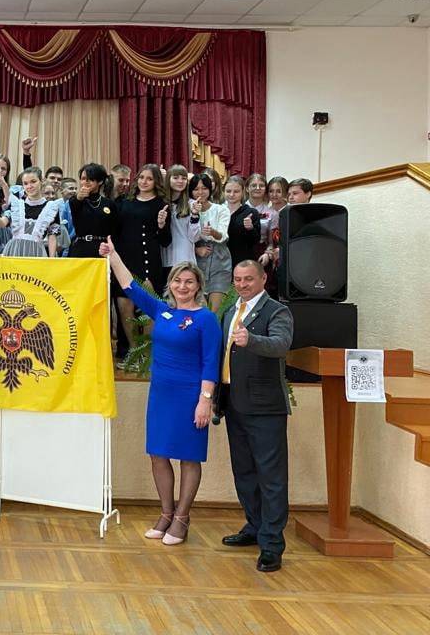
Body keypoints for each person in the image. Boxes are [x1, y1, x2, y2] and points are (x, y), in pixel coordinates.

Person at [100, 237, 221, 545]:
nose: (182, 286)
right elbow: (130, 287)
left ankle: (182, 518)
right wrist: (113, 255)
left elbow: (211, 362)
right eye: (178, 281)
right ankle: (166, 514)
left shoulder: (206, 319)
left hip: (191, 396)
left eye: (189, 281)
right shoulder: (162, 311)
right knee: (158, 454)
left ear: (198, 285)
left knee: (189, 458)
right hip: (161, 396)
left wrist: (205, 401)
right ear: (171, 284)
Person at [219, 260, 294, 573]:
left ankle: (272, 544)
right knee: (244, 472)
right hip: (234, 404)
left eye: (248, 279)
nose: (242, 284)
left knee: (271, 477)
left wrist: (252, 340)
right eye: (237, 279)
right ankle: (255, 526)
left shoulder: (277, 311)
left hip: (265, 408)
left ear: (263, 279)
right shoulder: (229, 312)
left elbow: (281, 345)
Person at [113, 164, 171, 359]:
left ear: (156, 182)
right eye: (141, 177)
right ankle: (134, 352)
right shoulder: (124, 201)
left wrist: (161, 225)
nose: (144, 182)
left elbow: (166, 241)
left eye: (149, 179)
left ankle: (147, 353)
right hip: (125, 260)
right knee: (124, 307)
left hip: (148, 262)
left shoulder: (161, 204)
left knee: (148, 308)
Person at [190, 173, 231, 312]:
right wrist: (196, 249)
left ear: (210, 189)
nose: (200, 192)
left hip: (219, 258)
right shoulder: (187, 210)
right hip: (196, 259)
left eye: (204, 188)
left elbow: (222, 236)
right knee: (199, 310)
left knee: (216, 310)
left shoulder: (221, 209)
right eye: (196, 189)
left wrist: (212, 232)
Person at [2, 167, 60, 257]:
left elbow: (52, 236)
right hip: (14, 251)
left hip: (37, 253)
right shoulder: (17, 205)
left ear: (41, 181)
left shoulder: (51, 208)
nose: (29, 186)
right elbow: (2, 223)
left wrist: (52, 259)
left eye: (33, 181)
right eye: (25, 183)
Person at [67, 163, 118, 259]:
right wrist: (79, 197)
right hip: (80, 248)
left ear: (100, 181)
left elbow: (114, 231)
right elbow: (75, 203)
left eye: (90, 179)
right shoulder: (75, 200)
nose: (86, 182)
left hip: (102, 249)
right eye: (83, 179)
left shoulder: (109, 203)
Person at [161, 164, 201, 276]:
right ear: (168, 179)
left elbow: (194, 237)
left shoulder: (191, 204)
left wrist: (194, 215)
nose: (180, 181)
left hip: (184, 258)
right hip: (164, 259)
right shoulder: (160, 203)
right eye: (175, 178)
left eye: (184, 178)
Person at [224, 175, 262, 267]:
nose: (232, 194)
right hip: (221, 262)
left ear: (243, 192)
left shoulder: (251, 212)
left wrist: (250, 228)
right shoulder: (218, 211)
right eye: (228, 191)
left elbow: (256, 240)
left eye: (236, 191)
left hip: (243, 262)